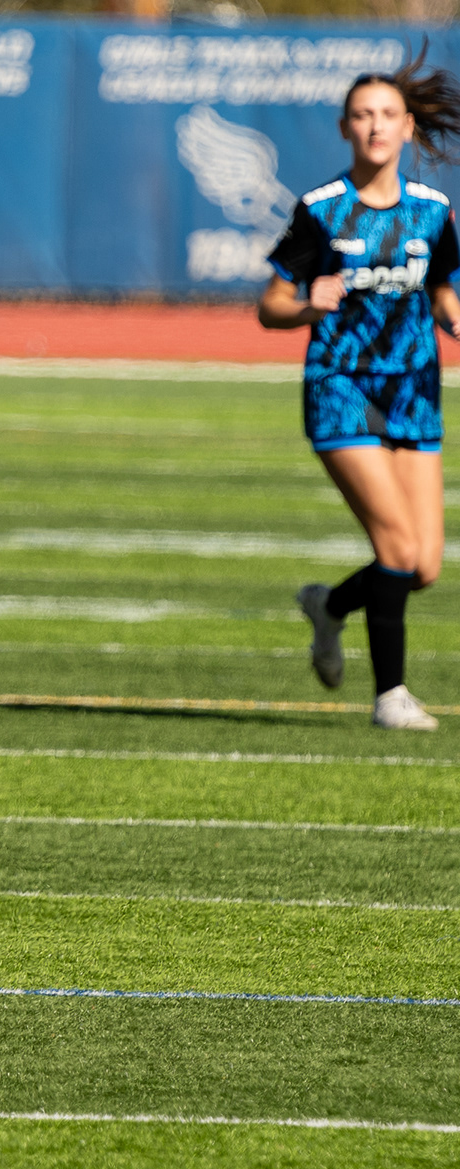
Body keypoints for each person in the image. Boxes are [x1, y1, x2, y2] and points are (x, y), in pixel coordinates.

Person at [265, 49, 460, 730]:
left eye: (386, 114)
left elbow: (441, 284)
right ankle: (391, 697)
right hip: (340, 387)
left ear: (408, 127)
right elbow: (269, 306)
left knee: (423, 567)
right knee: (397, 550)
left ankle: (330, 607)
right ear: (345, 128)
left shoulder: (433, 210)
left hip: (414, 391)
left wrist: (451, 311)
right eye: (361, 114)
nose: (375, 125)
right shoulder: (322, 210)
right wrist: (306, 305)